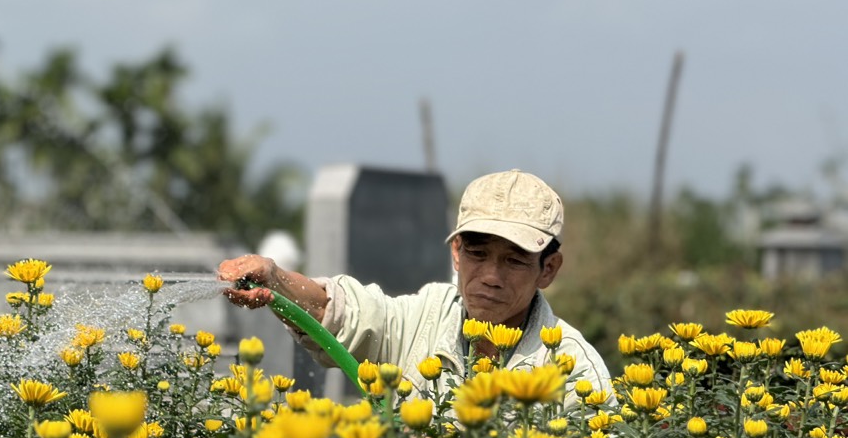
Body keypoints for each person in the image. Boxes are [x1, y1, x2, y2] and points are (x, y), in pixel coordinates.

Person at [218, 168, 612, 407]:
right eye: (478, 254)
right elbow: (340, 312)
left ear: (549, 269)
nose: (491, 276)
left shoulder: (574, 372)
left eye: (514, 260)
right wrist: (275, 279)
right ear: (456, 253)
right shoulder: (425, 315)